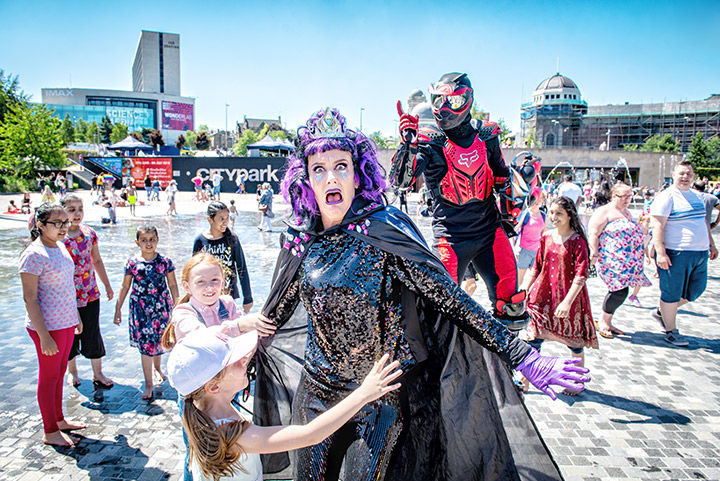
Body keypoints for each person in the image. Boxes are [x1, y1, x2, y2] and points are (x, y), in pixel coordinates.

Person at [255, 108, 589, 481]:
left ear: (357, 174)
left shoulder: (383, 232)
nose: (331, 176)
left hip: (378, 397)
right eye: (319, 169)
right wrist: (226, 346)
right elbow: (273, 315)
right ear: (306, 181)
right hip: (317, 393)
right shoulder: (301, 241)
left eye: (341, 166)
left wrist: (523, 356)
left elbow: (453, 300)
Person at [168, 326, 402, 481]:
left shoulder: (200, 414)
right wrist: (363, 394)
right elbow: (309, 436)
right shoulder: (233, 436)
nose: (245, 360)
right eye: (236, 362)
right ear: (213, 387)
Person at [391, 73, 529, 329]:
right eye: (438, 101)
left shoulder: (486, 134)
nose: (444, 109)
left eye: (451, 102)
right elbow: (401, 183)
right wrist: (407, 146)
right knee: (439, 316)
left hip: (490, 232)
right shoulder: (429, 141)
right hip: (450, 237)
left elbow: (501, 177)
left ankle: (504, 367)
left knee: (511, 306)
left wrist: (509, 216)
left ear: (467, 101)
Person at [161, 253, 276, 481]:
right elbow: (204, 338)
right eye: (200, 282)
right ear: (187, 286)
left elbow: (244, 341)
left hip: (225, 387)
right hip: (199, 397)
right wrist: (239, 325)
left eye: (215, 280)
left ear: (224, 281)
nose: (209, 287)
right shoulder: (183, 313)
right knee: (197, 450)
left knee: (226, 442)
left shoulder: (228, 303)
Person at [19, 203, 86, 446]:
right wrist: (44, 336)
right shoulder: (33, 255)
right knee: (48, 377)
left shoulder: (60, 246)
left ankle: (59, 420)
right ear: (40, 225)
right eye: (56, 223)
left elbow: (68, 286)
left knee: (59, 374)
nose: (63, 227)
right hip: (47, 327)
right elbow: (30, 298)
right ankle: (50, 431)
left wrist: (75, 315)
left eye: (65, 222)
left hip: (65, 321)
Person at [520, 196, 598, 394]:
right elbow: (536, 267)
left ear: (570, 216)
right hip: (542, 296)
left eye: (559, 213)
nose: (553, 217)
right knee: (533, 339)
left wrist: (566, 302)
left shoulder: (577, 241)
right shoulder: (546, 237)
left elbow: (582, 275)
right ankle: (525, 379)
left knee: (574, 343)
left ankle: (577, 381)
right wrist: (525, 289)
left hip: (568, 298)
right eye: (552, 212)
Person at [650, 161, 718, 347]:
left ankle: (662, 311)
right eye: (681, 173)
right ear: (674, 174)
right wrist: (661, 253)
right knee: (671, 293)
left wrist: (711, 244)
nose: (685, 177)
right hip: (675, 252)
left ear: (694, 176)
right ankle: (671, 331)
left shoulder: (697, 197)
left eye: (688, 174)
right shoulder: (667, 196)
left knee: (696, 290)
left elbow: (703, 222)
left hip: (699, 253)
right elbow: (656, 225)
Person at [113, 225, 179, 399]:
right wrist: (118, 307)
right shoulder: (132, 262)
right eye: (144, 240)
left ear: (157, 240)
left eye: (152, 239)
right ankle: (148, 384)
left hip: (161, 306)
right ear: (137, 242)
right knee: (145, 346)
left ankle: (158, 369)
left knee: (159, 340)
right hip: (141, 309)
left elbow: (172, 284)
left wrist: (177, 305)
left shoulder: (165, 261)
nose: (148, 243)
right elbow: (125, 285)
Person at [60, 194, 115, 388]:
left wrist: (107, 285)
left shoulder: (89, 233)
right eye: (71, 209)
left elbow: (96, 260)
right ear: (62, 212)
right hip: (66, 296)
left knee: (92, 331)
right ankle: (72, 371)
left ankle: (97, 373)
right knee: (70, 334)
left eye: (80, 209)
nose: (77, 214)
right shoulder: (60, 237)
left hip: (90, 292)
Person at [587, 183, 651, 338]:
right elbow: (593, 232)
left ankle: (607, 321)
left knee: (621, 289)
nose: (627, 200)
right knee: (619, 290)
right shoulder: (604, 211)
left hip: (628, 260)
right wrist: (593, 253)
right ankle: (603, 321)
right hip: (611, 259)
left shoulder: (626, 212)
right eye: (623, 196)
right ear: (614, 196)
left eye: (630, 196)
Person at [193, 202, 254, 313]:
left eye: (227, 218)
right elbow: (193, 272)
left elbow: (242, 268)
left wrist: (248, 297)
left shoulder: (232, 239)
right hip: (206, 295)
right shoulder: (200, 241)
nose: (225, 222)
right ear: (209, 219)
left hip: (228, 296)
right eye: (221, 218)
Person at [515, 192, 546, 286]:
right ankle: (516, 298)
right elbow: (515, 231)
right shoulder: (525, 214)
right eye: (535, 198)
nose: (537, 201)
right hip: (523, 251)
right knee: (519, 280)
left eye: (540, 199)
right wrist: (513, 249)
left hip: (537, 251)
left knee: (537, 278)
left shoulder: (543, 215)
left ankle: (531, 297)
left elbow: (544, 234)